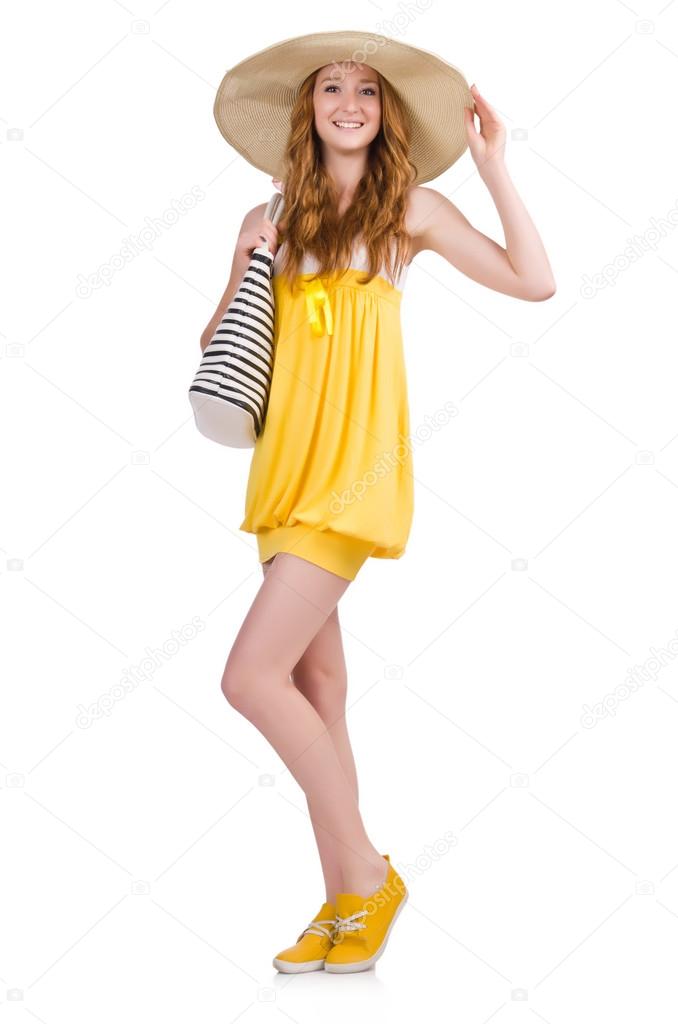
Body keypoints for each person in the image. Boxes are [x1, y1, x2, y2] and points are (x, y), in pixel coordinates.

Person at [201, 31, 556, 974]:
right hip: (282, 473)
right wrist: (246, 256)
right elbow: (216, 340)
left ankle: (367, 875)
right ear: (308, 108)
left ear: (386, 111)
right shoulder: (269, 212)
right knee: (316, 687)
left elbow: (535, 280)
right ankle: (340, 905)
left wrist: (493, 168)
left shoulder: (411, 209)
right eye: (331, 88)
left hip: (351, 481)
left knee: (248, 679)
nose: (348, 102)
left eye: (365, 89)